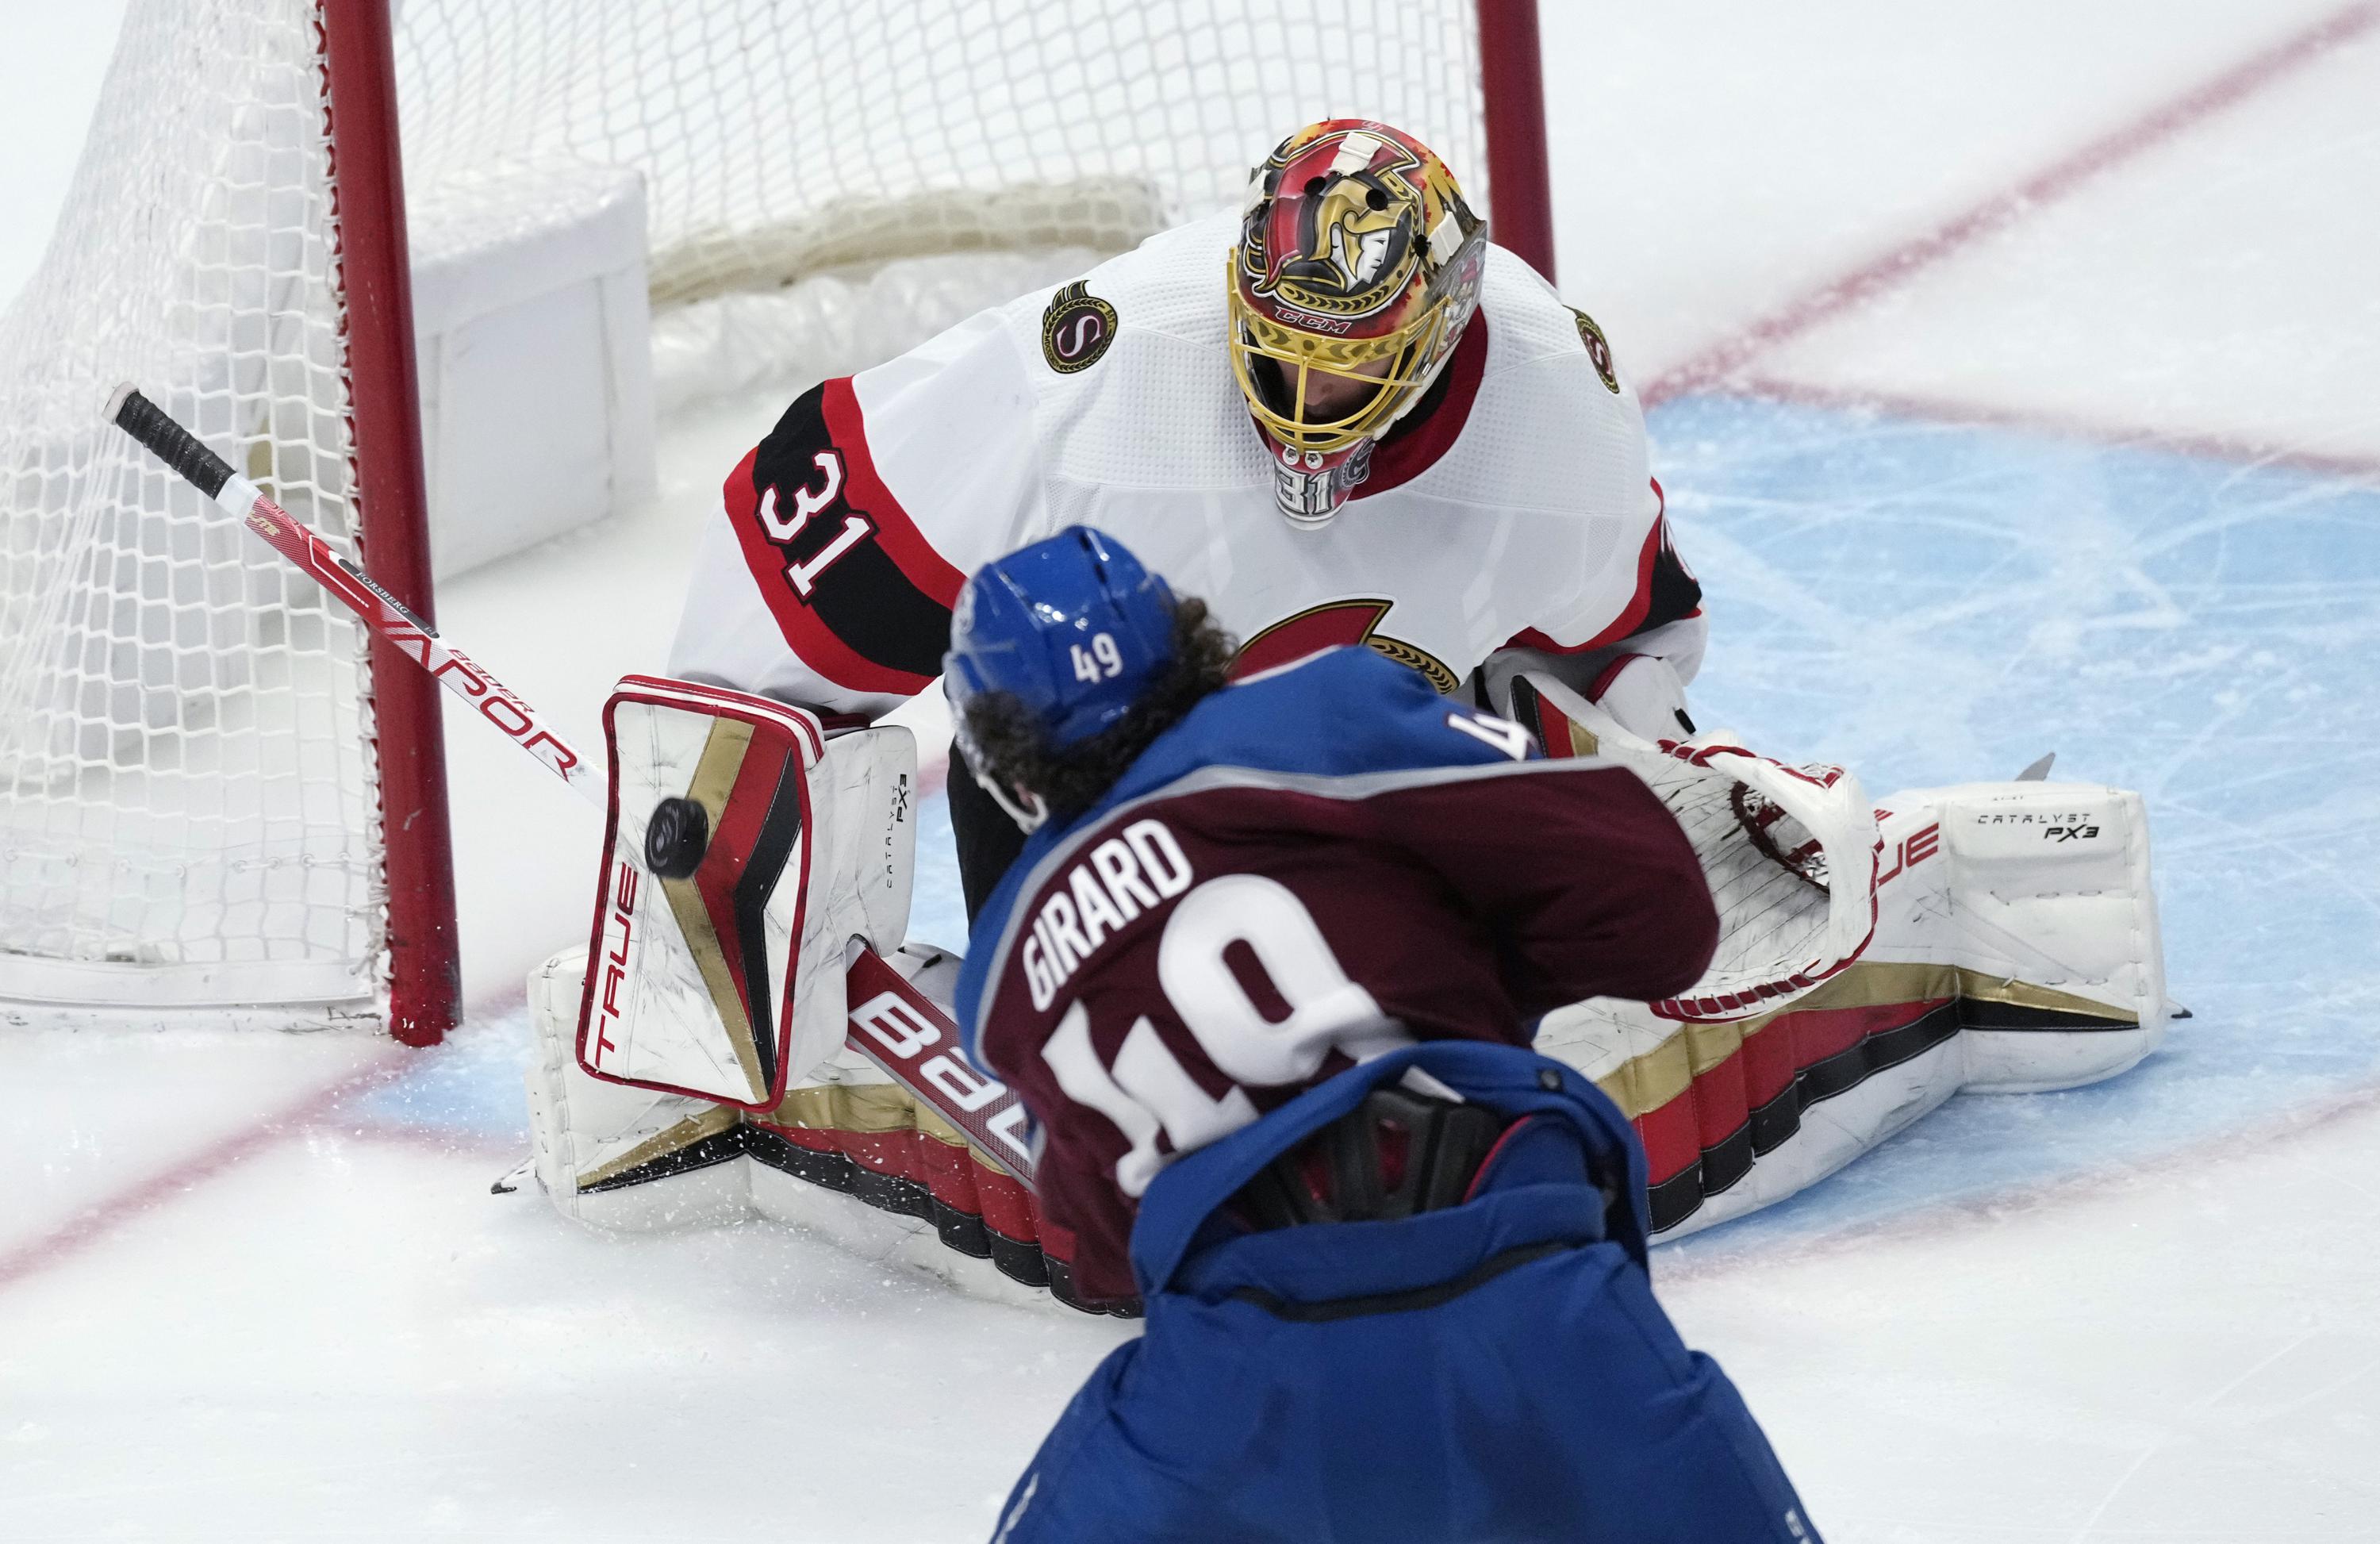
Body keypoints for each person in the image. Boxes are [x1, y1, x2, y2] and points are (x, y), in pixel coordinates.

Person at [945, 524, 1818, 1544]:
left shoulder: (1001, 968)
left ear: (1005, 758)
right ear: (1190, 646)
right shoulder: (1316, 714)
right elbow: (1661, 912)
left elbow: (1104, 1255)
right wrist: (1450, 980)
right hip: (1524, 1285)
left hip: (1233, 1384)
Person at [669, 117, 1703, 925]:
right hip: (1100, 832)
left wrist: (1671, 798)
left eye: (1345, 365)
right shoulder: (1095, 380)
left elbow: (1622, 642)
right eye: (1280, 344)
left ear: (1439, 333)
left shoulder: (1557, 414)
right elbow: (811, 541)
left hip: (1373, 814)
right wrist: (709, 803)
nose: (1302, 391)